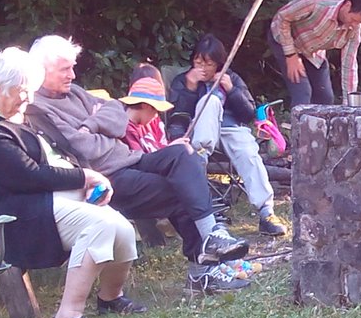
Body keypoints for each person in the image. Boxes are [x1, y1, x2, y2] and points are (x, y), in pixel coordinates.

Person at [24, 34, 250, 294]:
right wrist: (99, 127)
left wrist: (91, 124)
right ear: (42, 69)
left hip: (131, 158)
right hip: (104, 178)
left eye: (72, 67)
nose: (73, 75)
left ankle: (211, 236)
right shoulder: (38, 108)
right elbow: (82, 147)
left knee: (183, 155)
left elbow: (118, 116)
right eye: (65, 69)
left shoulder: (73, 92)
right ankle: (202, 273)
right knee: (178, 188)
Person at [0, 47, 146, 318]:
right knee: (101, 225)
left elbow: (52, 159)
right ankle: (67, 317)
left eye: (29, 91)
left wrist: (90, 183)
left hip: (47, 200)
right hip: (21, 215)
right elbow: (28, 176)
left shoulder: (19, 116)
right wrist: (84, 177)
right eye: (21, 91)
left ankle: (110, 298)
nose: (27, 98)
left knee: (122, 228)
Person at [166, 34, 288, 237]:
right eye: (197, 61)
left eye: (208, 63)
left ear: (219, 64)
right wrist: (189, 89)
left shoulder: (231, 78)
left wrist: (231, 90)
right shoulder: (184, 80)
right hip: (198, 132)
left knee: (249, 153)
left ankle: (266, 212)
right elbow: (177, 118)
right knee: (211, 101)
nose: (201, 67)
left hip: (231, 129)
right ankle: (200, 165)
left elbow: (248, 114)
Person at [267, 0, 361, 106]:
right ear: (347, 5)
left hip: (312, 50)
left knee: (325, 98)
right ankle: (298, 123)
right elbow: (283, 17)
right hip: (285, 40)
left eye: (358, 23)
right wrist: (291, 55)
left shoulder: (354, 28)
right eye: (353, 19)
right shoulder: (316, 2)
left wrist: (349, 102)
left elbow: (349, 63)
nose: (354, 25)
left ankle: (318, 124)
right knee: (303, 93)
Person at [119, 64, 171, 154]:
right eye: (155, 110)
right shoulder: (126, 128)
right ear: (145, 105)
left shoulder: (150, 120)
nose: (156, 115)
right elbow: (140, 160)